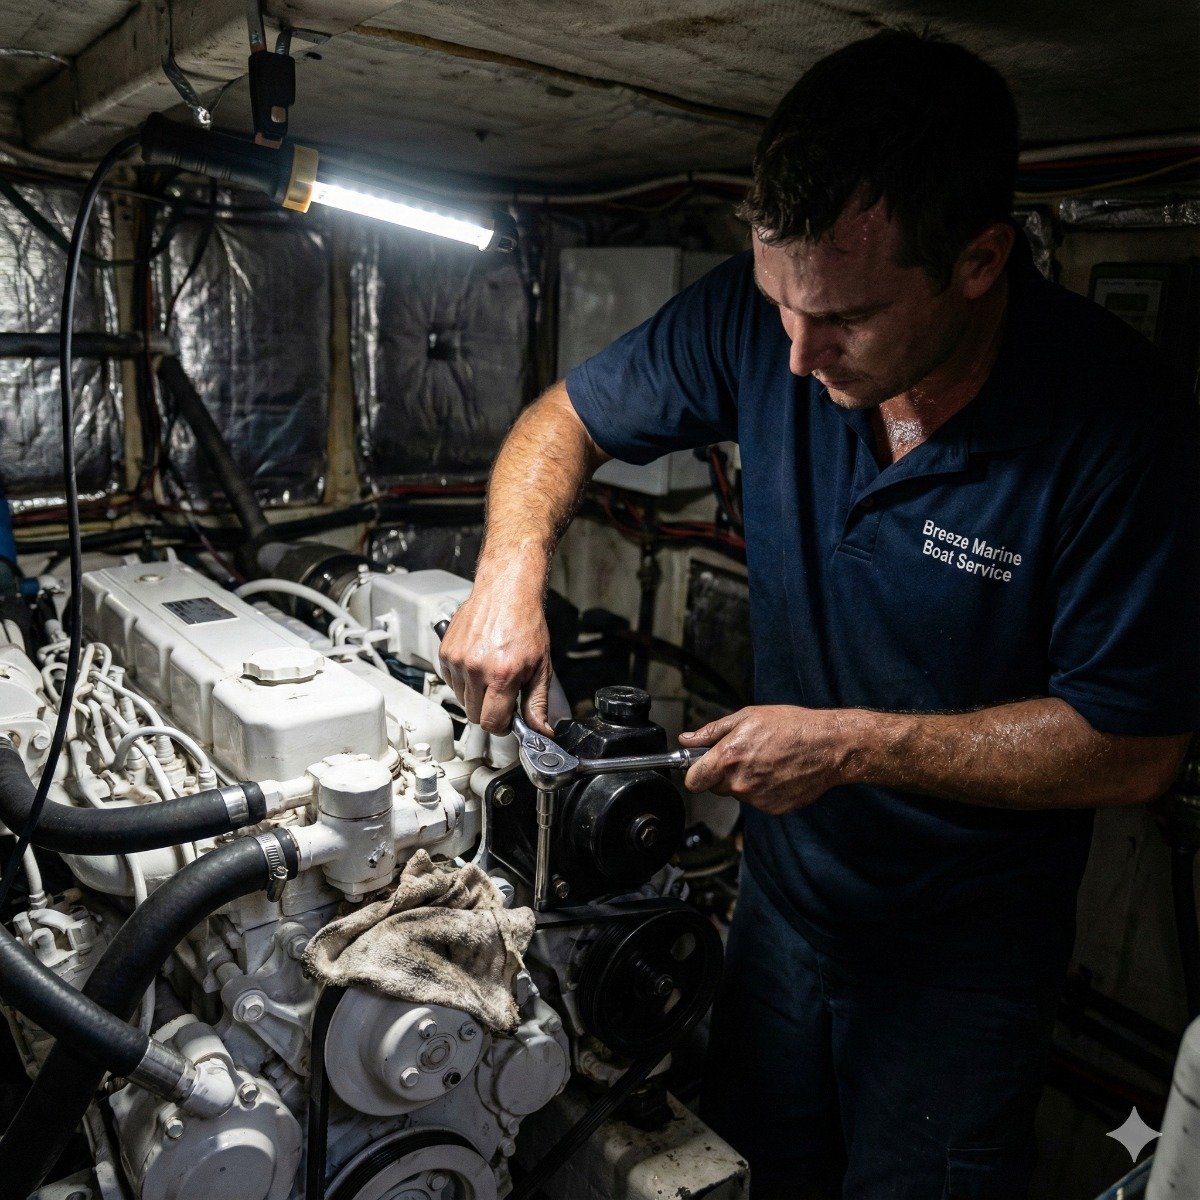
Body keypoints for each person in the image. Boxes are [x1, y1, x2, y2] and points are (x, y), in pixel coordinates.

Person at [438, 28, 1200, 1199]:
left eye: (844, 316)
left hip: (961, 963)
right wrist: (509, 565)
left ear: (980, 262)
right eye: (776, 302)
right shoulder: (778, 326)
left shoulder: (1115, 427)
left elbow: (1136, 742)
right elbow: (565, 421)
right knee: (746, 1170)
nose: (795, 356)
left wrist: (855, 745)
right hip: (782, 913)